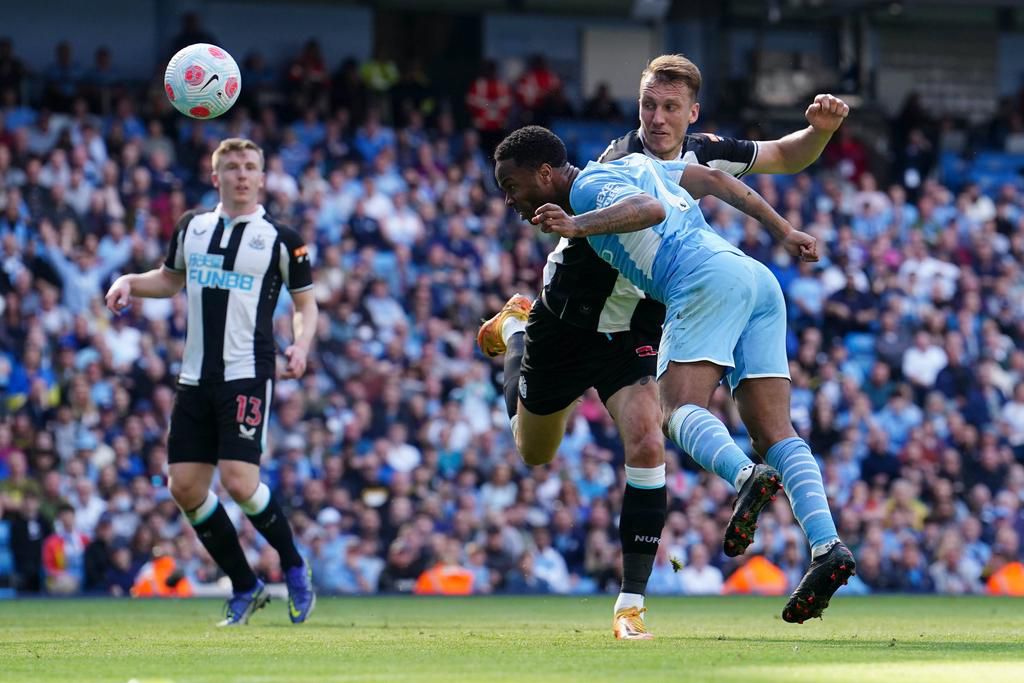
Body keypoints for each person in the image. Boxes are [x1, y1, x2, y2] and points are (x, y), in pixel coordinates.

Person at [477, 54, 851, 637]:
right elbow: (629, 209)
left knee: (660, 429)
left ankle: (633, 603)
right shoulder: (615, 163)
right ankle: (518, 328)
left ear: (690, 113)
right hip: (573, 319)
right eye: (648, 105)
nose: (655, 117)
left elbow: (769, 162)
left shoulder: (695, 154)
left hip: (646, 322)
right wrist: (574, 229)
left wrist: (819, 137)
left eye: (669, 107)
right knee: (535, 451)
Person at [104, 138, 318, 627]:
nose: (241, 175)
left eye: (250, 167)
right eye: (232, 167)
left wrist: (301, 345)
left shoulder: (282, 239)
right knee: (184, 487)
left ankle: (292, 563)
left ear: (262, 178)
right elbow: (168, 279)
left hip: (247, 371)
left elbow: (306, 303)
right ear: (215, 175)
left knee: (240, 482)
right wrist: (130, 283)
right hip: (195, 376)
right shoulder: (192, 228)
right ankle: (245, 585)